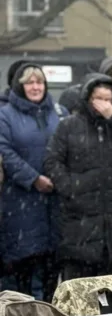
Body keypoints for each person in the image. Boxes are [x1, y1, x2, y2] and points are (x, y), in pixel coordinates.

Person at [44, 74, 112, 280]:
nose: (103, 105)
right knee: (81, 285)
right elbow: (52, 160)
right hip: (81, 217)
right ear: (88, 98)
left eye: (107, 99)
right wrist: (70, 187)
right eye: (98, 98)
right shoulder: (69, 126)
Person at [0, 64, 61, 299]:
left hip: (54, 202)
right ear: (19, 86)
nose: (35, 87)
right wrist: (33, 178)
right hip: (20, 201)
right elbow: (5, 152)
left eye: (40, 82)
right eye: (30, 82)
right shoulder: (6, 115)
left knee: (50, 270)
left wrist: (59, 176)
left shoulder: (57, 112)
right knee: (23, 268)